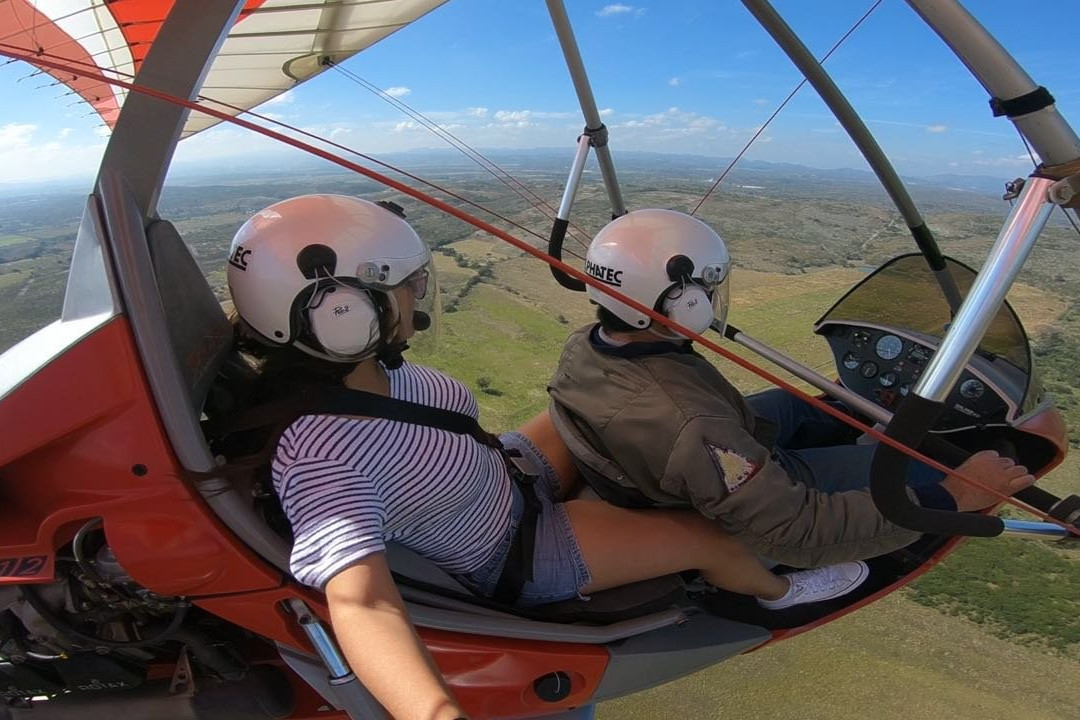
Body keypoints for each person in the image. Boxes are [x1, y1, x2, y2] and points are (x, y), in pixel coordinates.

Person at [226, 194, 874, 720]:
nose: (418, 296)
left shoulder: (366, 373)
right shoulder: (320, 453)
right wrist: (433, 713)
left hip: (503, 473)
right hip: (514, 549)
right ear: (340, 312)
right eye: (407, 285)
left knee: (596, 409)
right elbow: (360, 601)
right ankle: (780, 590)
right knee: (704, 537)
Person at [548, 208, 1036, 569]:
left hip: (665, 449)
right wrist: (953, 498)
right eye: (709, 289)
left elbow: (694, 423)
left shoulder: (590, 342)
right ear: (684, 301)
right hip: (712, 470)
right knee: (929, 469)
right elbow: (796, 529)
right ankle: (952, 476)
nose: (714, 300)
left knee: (805, 405)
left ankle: (870, 419)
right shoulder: (694, 425)